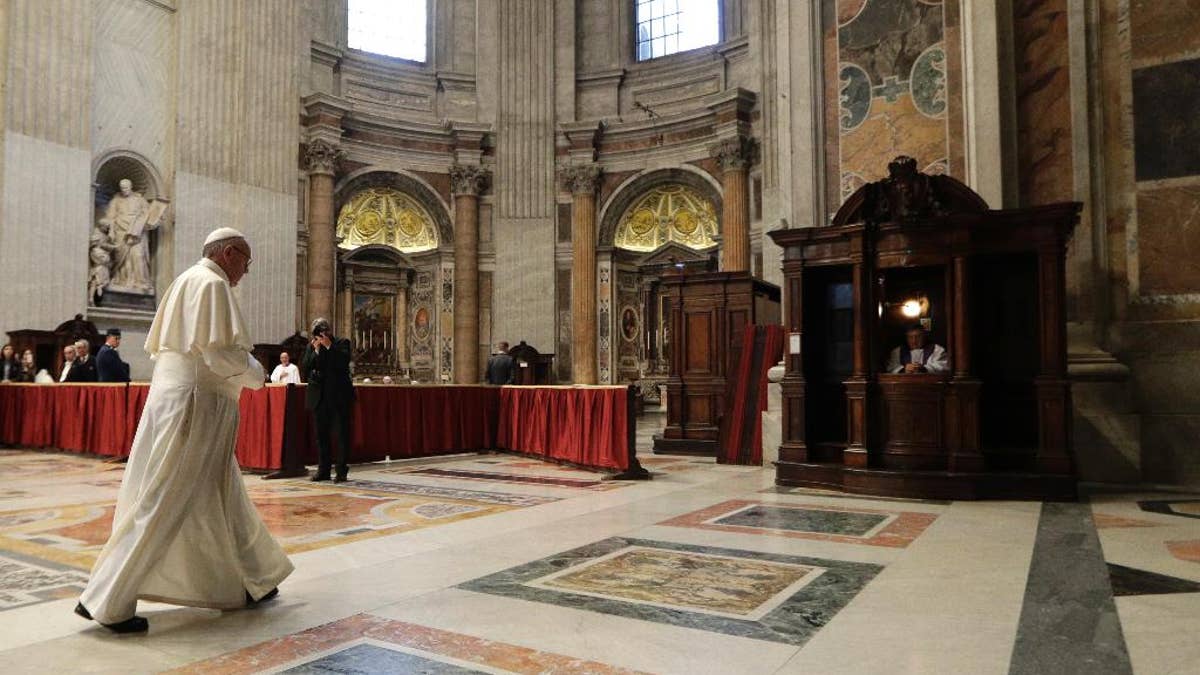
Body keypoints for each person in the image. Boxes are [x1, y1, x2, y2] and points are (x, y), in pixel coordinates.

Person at [75, 227, 292, 633]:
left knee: (222, 494)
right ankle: (107, 598)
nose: (246, 271)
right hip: (198, 407)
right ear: (229, 253)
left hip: (181, 401)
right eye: (245, 261)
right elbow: (219, 353)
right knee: (164, 499)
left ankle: (256, 578)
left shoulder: (185, 280)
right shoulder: (211, 283)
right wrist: (258, 373)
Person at [302, 318, 355, 482]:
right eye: (317, 331)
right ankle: (323, 470)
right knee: (321, 435)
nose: (320, 334)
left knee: (341, 435)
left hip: (339, 397)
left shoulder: (341, 343)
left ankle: (341, 471)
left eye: (323, 330)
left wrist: (328, 346)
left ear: (329, 330)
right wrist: (316, 350)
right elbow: (306, 366)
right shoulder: (312, 346)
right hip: (319, 397)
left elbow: (342, 362)